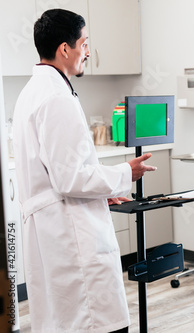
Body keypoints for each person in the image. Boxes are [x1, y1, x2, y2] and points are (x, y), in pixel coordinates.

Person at [12, 9, 156, 333]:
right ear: (65, 49)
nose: (88, 52)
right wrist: (124, 173)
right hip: (69, 232)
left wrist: (102, 194)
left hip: (53, 228)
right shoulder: (56, 98)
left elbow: (58, 173)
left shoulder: (32, 93)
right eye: (84, 43)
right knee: (94, 321)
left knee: (61, 321)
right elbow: (70, 178)